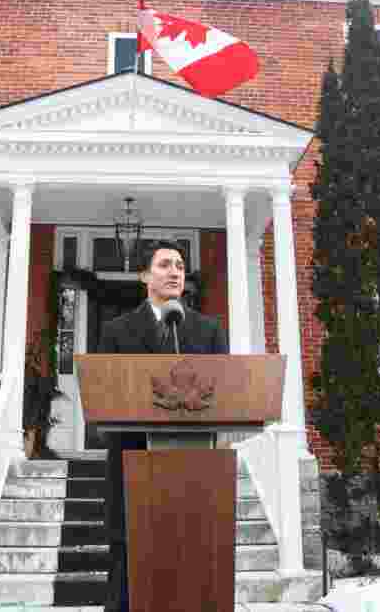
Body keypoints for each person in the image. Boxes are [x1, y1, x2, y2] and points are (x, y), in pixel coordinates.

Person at [96, 239, 228, 612]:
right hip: (132, 466)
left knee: (193, 572)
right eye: (164, 265)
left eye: (181, 266)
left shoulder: (208, 331)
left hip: (195, 471)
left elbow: (224, 394)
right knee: (128, 573)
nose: (174, 272)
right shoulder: (117, 331)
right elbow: (106, 393)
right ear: (144, 275)